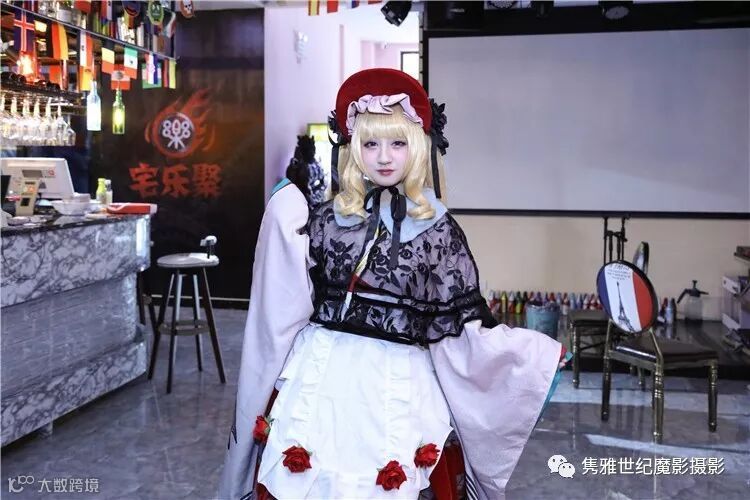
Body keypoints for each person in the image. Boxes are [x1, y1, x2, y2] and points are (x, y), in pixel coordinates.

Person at [219, 68, 569, 500]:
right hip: (323, 378)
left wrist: (531, 359)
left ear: (417, 146)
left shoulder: (438, 230)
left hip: (397, 381)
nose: (384, 157)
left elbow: (459, 326)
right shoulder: (323, 220)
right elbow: (284, 306)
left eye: (397, 143)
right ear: (353, 148)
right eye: (371, 144)